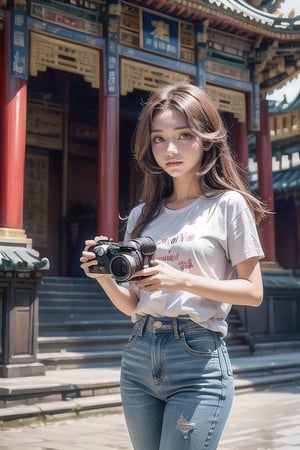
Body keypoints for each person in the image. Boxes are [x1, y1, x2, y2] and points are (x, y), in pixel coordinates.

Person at [80, 82, 267, 450]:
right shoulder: (141, 215)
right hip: (138, 355)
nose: (170, 149)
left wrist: (180, 279)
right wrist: (103, 278)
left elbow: (254, 292)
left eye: (184, 135)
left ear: (206, 139)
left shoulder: (228, 205)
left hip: (197, 359)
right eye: (159, 138)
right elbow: (134, 305)